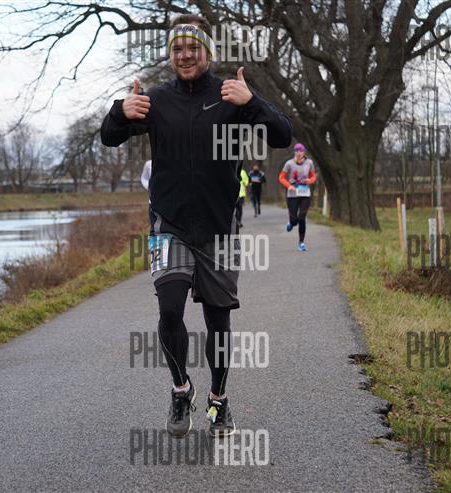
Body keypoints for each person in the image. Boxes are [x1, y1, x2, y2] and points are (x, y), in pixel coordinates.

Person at [101, 14, 292, 438]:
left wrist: (252, 101)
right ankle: (180, 389)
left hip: (219, 228)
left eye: (193, 47)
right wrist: (119, 112)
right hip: (168, 225)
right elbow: (109, 137)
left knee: (218, 323)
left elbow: (282, 134)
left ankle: (218, 400)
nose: (185, 55)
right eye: (177, 49)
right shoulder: (155, 101)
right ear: (170, 54)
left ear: (208, 51)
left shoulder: (230, 97)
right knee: (169, 308)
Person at [279, 143, 316, 252]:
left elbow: (313, 176)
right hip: (292, 193)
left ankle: (301, 243)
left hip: (305, 193)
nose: (299, 153)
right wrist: (289, 186)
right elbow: (281, 177)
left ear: (304, 152)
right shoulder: (289, 163)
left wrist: (310, 180)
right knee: (294, 220)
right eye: (296, 151)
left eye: (301, 151)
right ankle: (291, 223)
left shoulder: (309, 163)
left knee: (302, 217)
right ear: (294, 152)